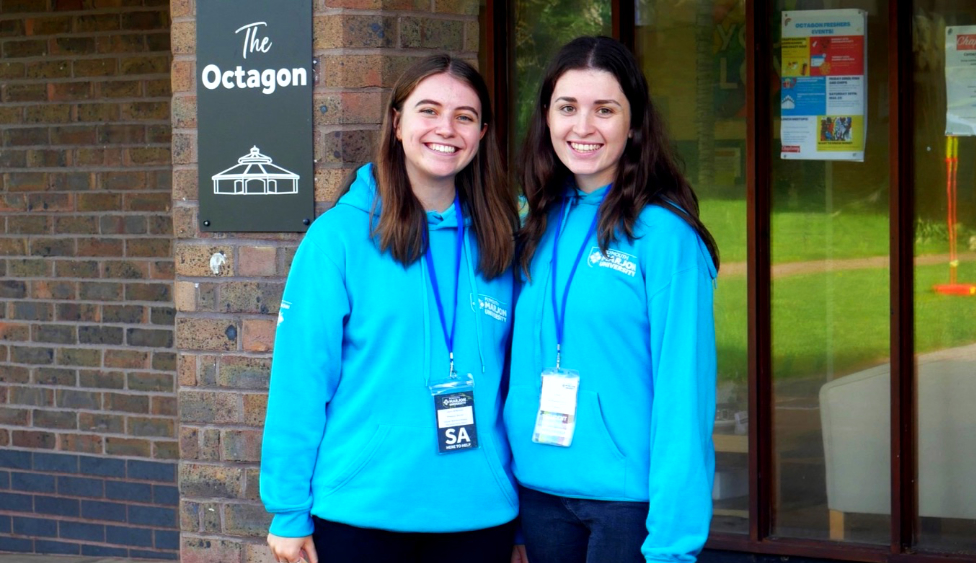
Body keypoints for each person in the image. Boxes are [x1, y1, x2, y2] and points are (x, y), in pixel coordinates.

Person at [261, 54, 521, 563]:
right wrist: (287, 510)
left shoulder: (504, 239)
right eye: (428, 110)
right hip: (362, 516)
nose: (446, 129)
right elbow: (300, 381)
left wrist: (522, 524)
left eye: (464, 116)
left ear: (482, 132)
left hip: (481, 515)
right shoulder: (338, 238)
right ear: (397, 122)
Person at [504, 36, 720, 563]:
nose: (583, 127)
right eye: (567, 107)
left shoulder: (666, 237)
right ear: (547, 118)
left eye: (605, 109)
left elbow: (684, 394)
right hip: (537, 494)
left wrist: (673, 543)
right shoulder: (528, 221)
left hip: (628, 506)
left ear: (634, 122)